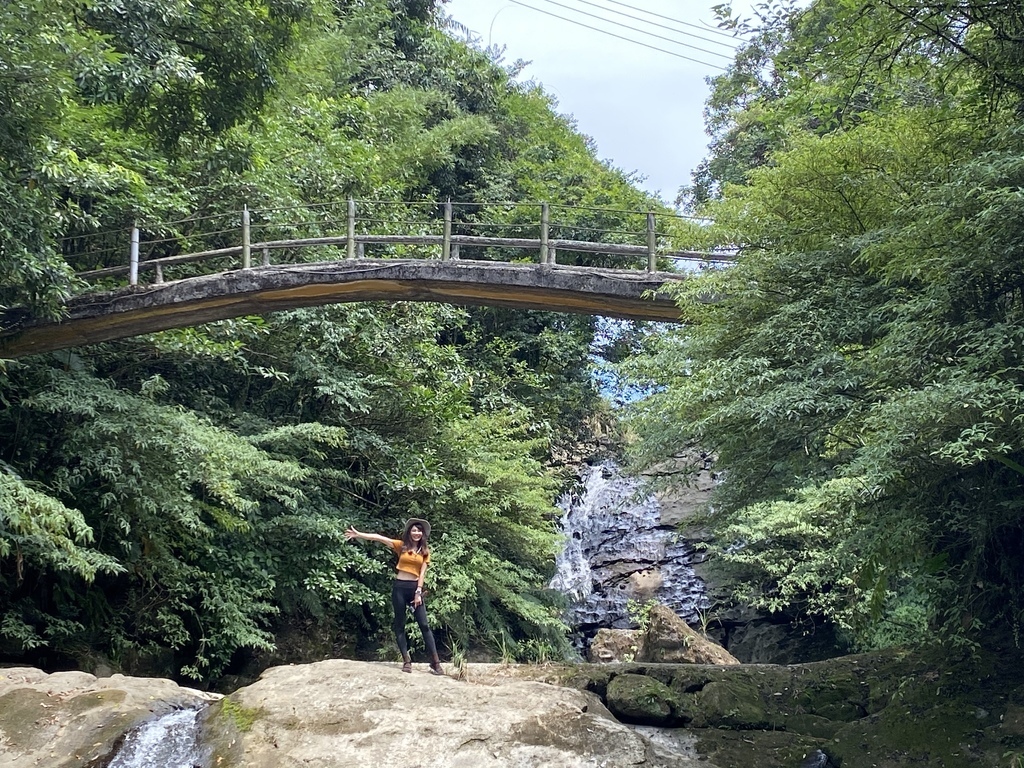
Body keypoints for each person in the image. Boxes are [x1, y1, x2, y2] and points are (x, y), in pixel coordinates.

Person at [345, 518, 444, 675]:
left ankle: (436, 663)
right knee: (399, 624)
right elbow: (379, 537)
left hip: (414, 589)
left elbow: (423, 573)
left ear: (422, 534)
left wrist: (418, 591)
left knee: (424, 625)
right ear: (409, 532)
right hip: (399, 588)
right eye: (414, 530)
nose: (416, 533)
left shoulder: (425, 552)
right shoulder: (401, 546)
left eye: (419, 531)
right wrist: (359, 535)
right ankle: (406, 661)